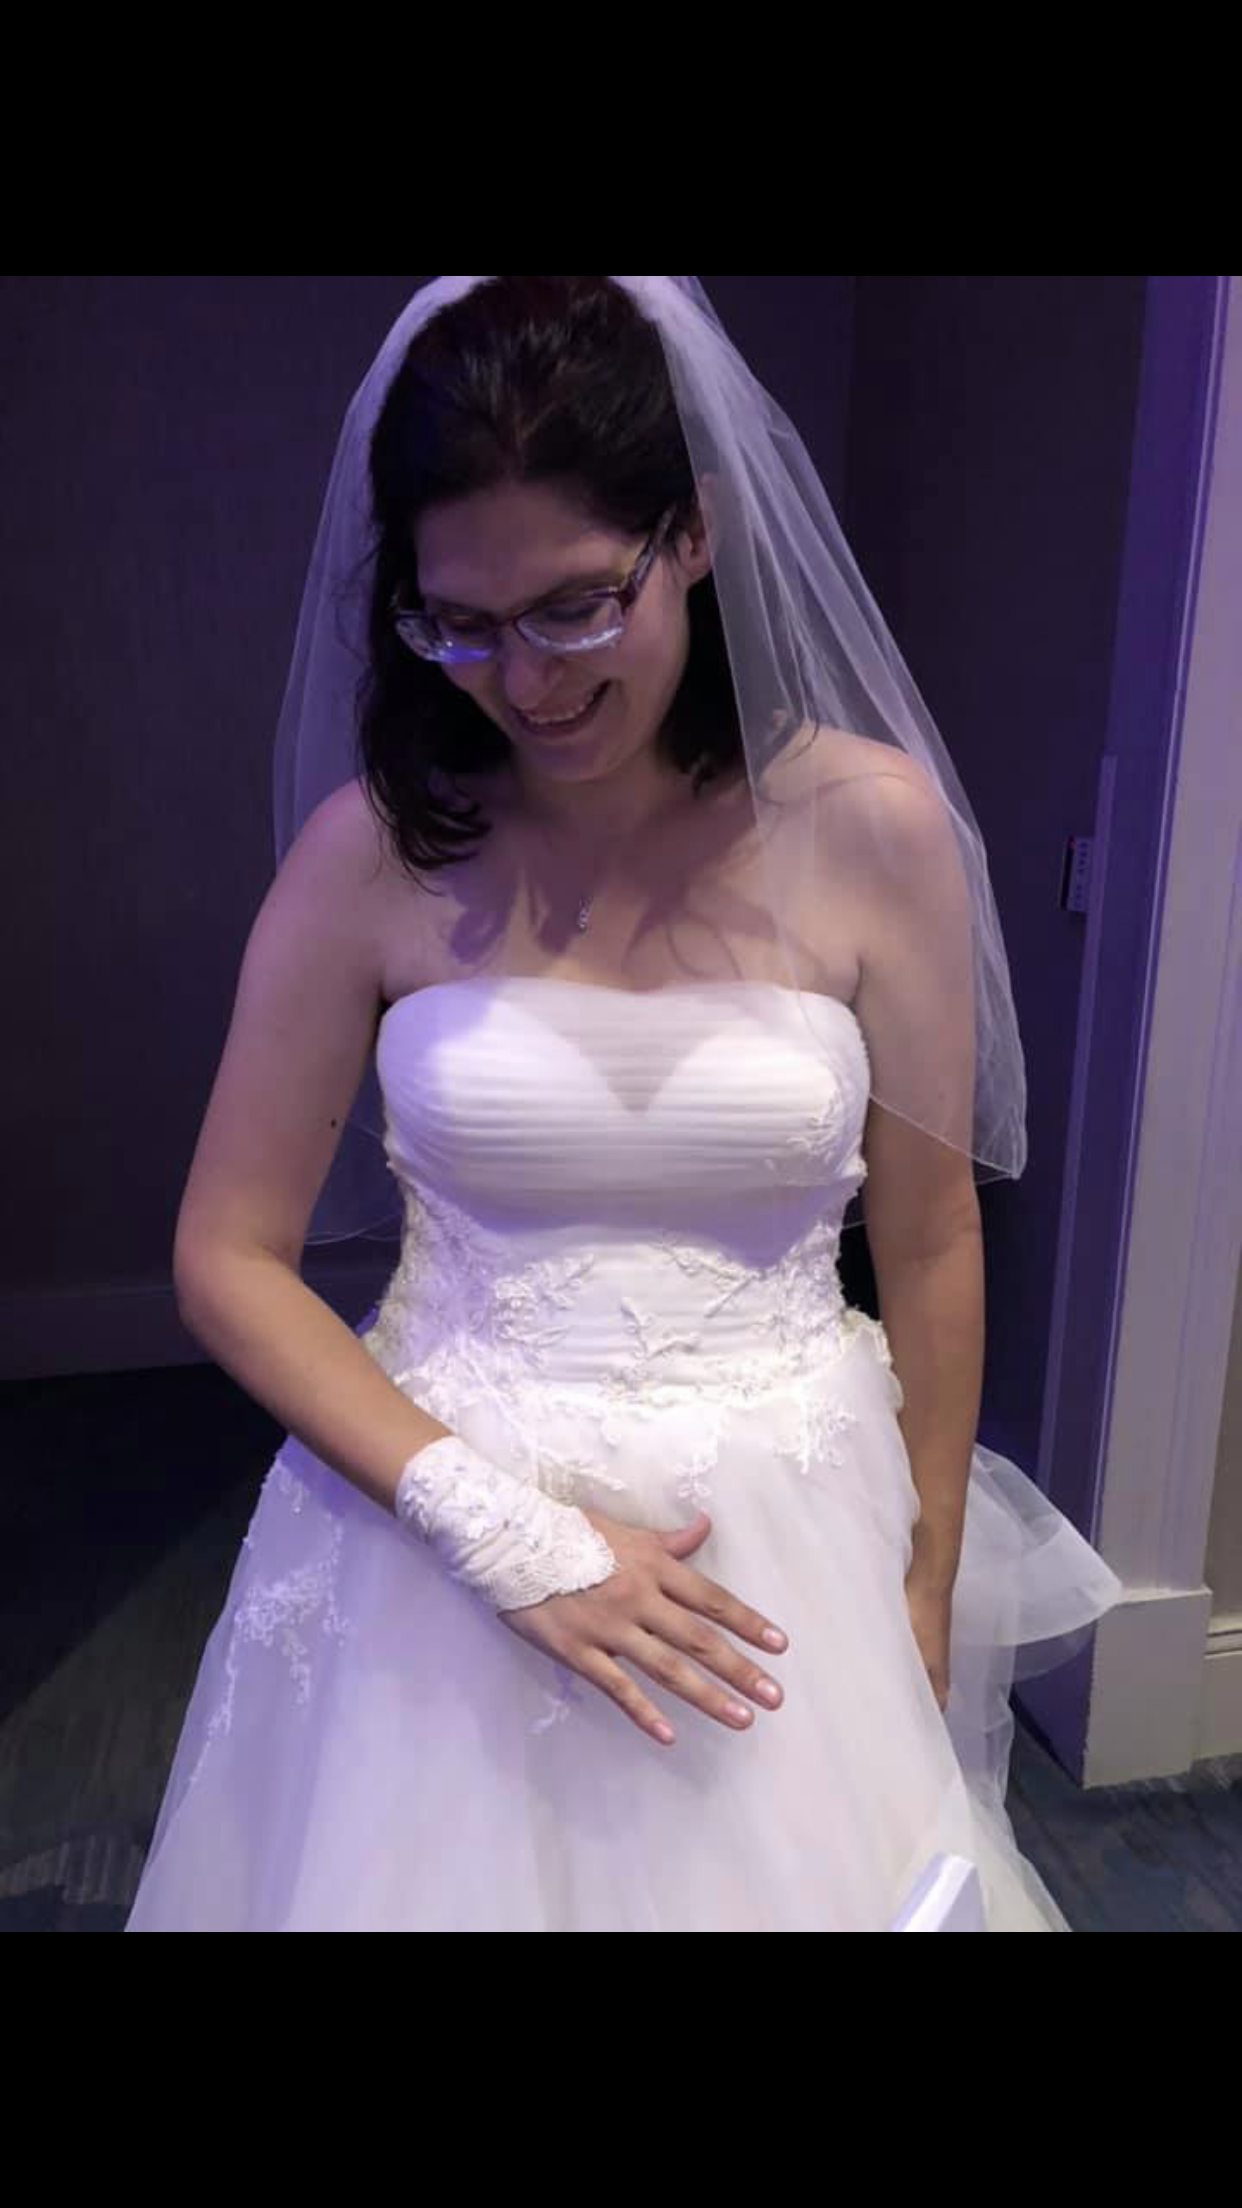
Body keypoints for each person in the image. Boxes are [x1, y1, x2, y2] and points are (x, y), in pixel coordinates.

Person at [126, 277, 1123, 1931]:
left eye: (574, 606)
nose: (521, 679)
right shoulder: (372, 850)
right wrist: (505, 1537)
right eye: (460, 622)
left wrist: (929, 1566)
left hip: (789, 1522)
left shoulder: (870, 829)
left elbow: (930, 1234)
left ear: (696, 534)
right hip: (437, 1515)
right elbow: (227, 1257)